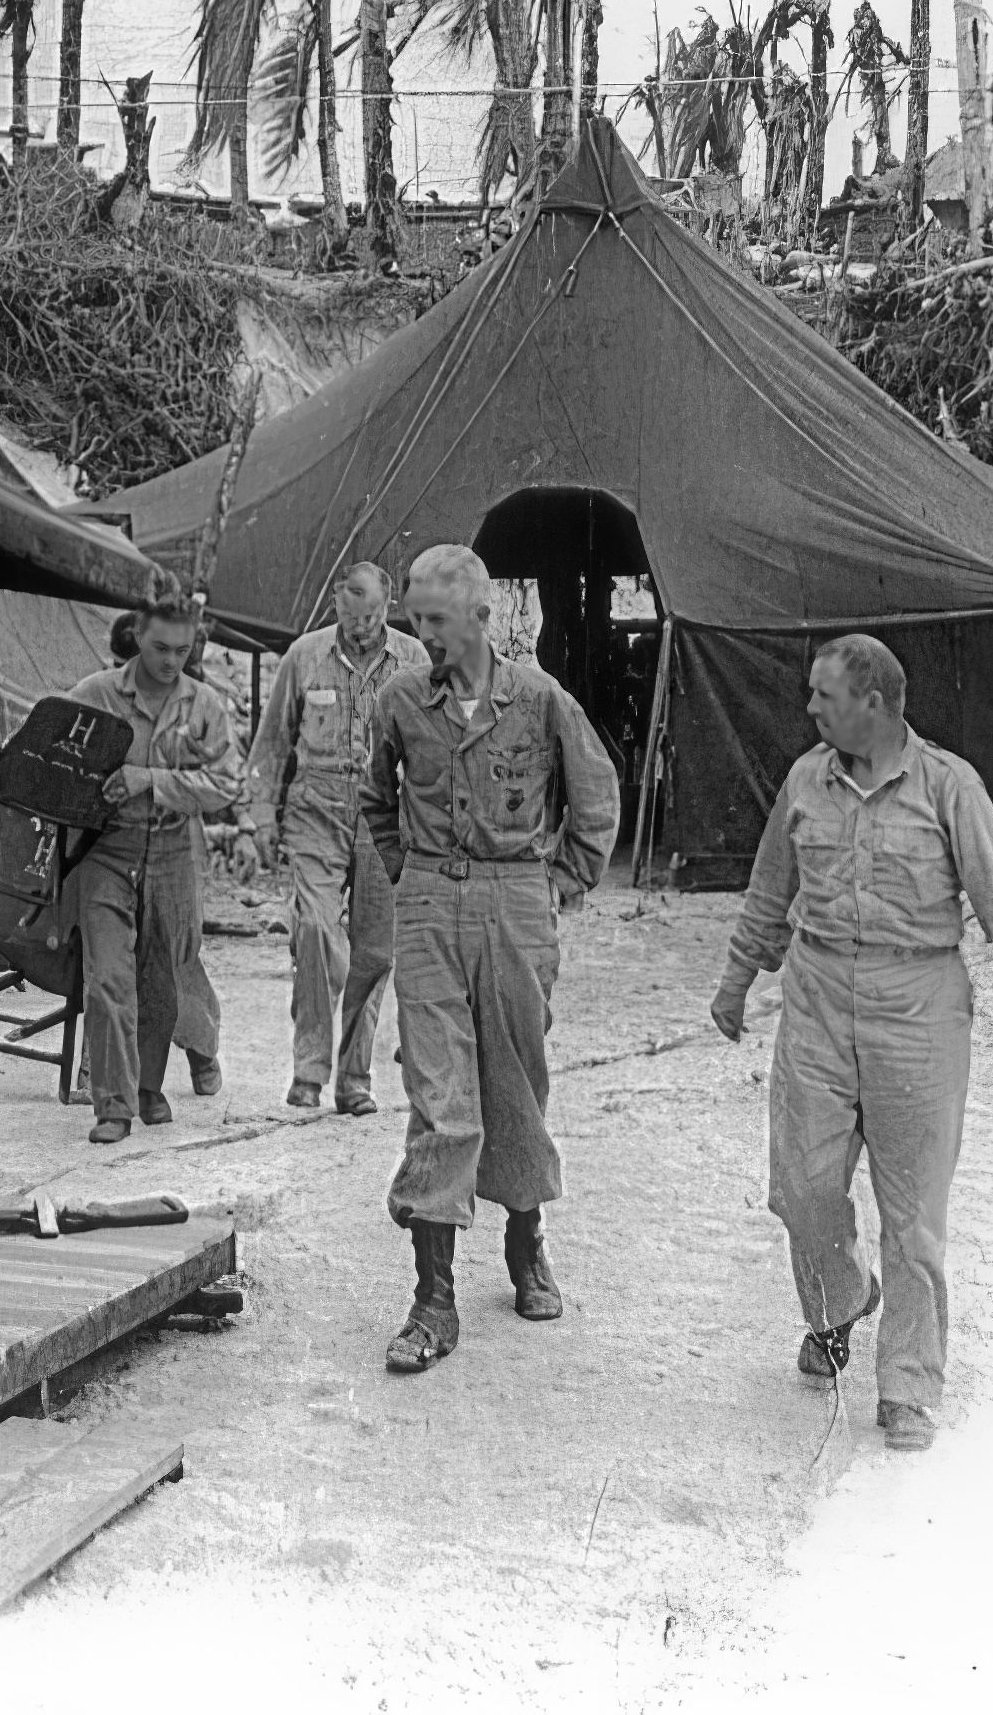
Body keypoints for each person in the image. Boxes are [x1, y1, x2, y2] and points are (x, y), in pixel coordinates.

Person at [708, 633, 993, 1454]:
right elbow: (770, 889)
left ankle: (907, 1382)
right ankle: (838, 1304)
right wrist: (736, 983)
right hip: (819, 1000)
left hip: (920, 1011)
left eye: (823, 697)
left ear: (874, 703)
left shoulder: (949, 787)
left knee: (914, 1215)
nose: (808, 709)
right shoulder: (806, 779)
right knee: (802, 1187)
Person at [365, 542, 618, 1373]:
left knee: (515, 1082)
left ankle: (524, 1237)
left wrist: (558, 888)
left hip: (516, 903)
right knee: (439, 1092)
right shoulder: (401, 701)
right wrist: (414, 874)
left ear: (480, 617)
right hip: (431, 906)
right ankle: (433, 1299)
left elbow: (595, 799)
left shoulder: (540, 700)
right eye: (415, 620)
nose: (421, 635)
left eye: (434, 621)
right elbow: (376, 799)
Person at [59, 602, 243, 1145]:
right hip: (106, 852)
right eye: (159, 648)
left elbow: (225, 783)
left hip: (170, 853)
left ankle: (148, 1088)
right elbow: (52, 748)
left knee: (163, 979)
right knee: (109, 979)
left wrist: (151, 779)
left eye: (182, 651)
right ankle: (112, 1106)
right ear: (137, 636)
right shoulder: (94, 694)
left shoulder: (202, 704)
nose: (170, 661)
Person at [242, 561, 407, 1115]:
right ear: (335, 601)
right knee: (314, 931)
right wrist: (260, 817)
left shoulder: (414, 661)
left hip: (388, 818)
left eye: (372, 615)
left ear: (389, 606)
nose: (361, 627)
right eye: (351, 612)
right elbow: (270, 745)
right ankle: (309, 1069)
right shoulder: (303, 657)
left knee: (375, 950)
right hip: (316, 811)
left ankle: (355, 1079)